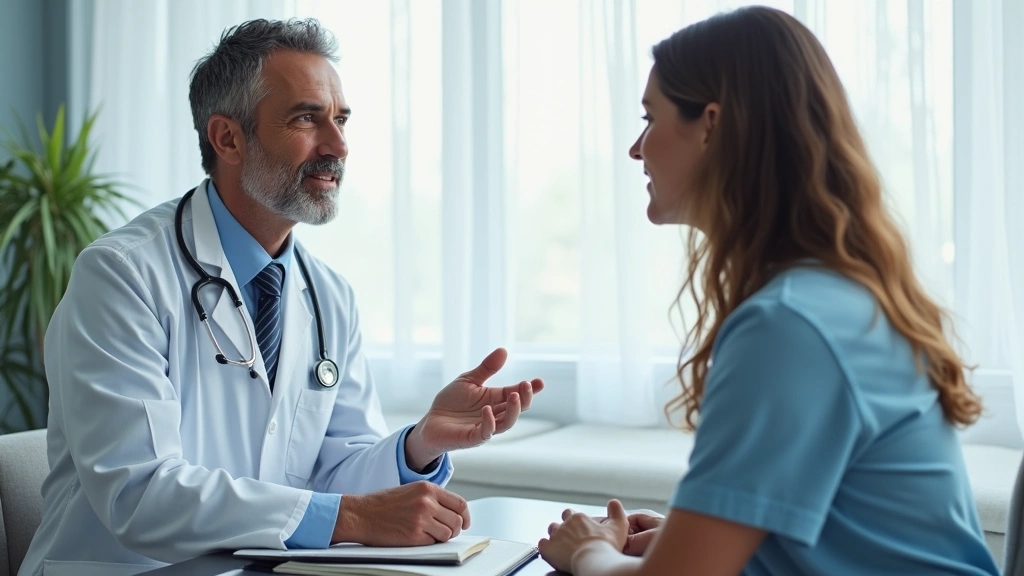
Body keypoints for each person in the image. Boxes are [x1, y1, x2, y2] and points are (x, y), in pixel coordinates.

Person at [19, 18, 543, 576]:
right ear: (228, 138)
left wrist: (418, 443)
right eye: (306, 118)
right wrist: (351, 519)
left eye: (340, 120)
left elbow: (328, 471)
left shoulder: (328, 296)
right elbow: (140, 492)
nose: (338, 146)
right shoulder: (121, 275)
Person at [537, 6, 999, 576]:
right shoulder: (831, 298)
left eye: (649, 118)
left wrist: (587, 549)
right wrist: (700, 537)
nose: (637, 148)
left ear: (711, 124)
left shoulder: (788, 325)